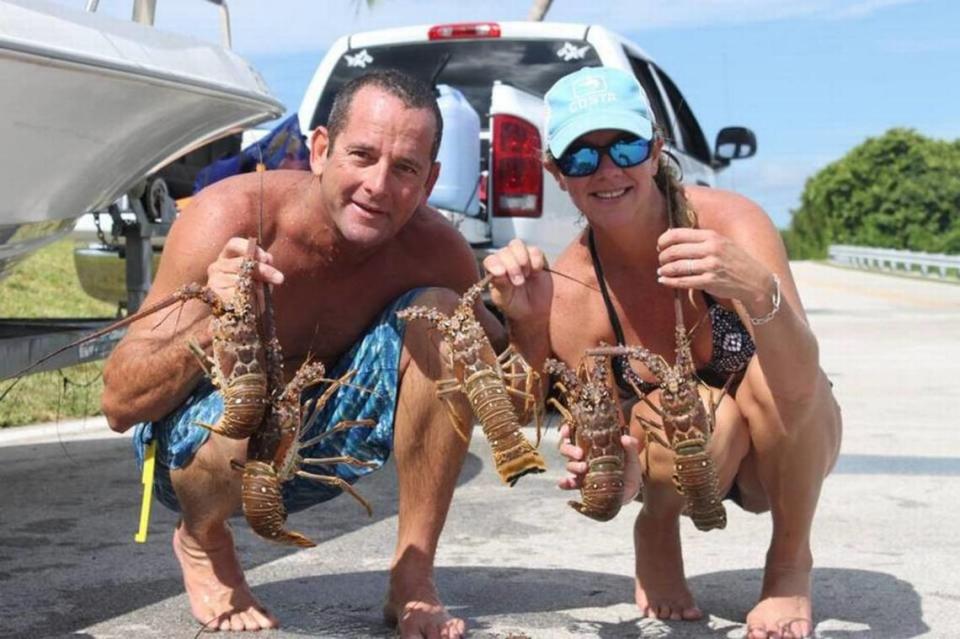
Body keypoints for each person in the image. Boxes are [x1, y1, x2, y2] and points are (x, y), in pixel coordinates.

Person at [102, 69, 500, 637]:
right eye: (361, 155)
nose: (379, 185)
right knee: (246, 395)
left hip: (318, 449)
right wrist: (216, 316)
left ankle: (413, 577)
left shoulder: (438, 252)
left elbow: (499, 371)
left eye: (405, 168)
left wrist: (525, 309)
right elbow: (119, 403)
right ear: (320, 150)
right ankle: (203, 540)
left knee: (445, 314)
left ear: (430, 180)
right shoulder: (228, 217)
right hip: (201, 459)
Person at [483, 66, 842, 639]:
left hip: (778, 449)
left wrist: (755, 289)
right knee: (699, 416)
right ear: (556, 172)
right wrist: (620, 482)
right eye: (581, 158)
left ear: (654, 148)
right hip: (682, 457)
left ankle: (789, 565)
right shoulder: (575, 292)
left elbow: (803, 384)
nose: (607, 171)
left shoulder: (730, 221)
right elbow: (601, 439)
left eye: (624, 146)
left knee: (781, 381)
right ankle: (658, 529)